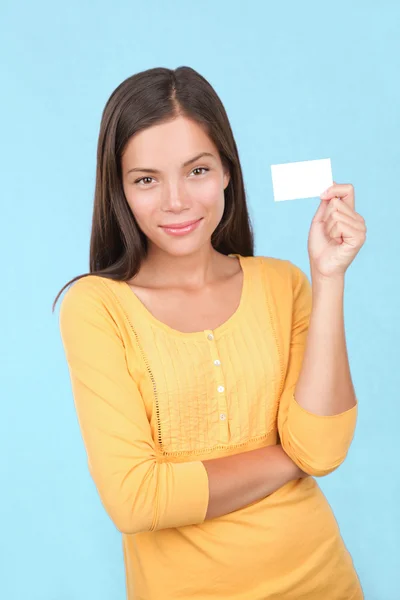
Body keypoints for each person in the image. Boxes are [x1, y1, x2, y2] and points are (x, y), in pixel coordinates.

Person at [54, 66, 366, 599]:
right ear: (120, 190)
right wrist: (290, 456)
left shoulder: (283, 283)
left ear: (226, 171)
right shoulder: (96, 307)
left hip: (323, 582)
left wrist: (328, 276)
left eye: (196, 171)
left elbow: (325, 445)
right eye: (146, 179)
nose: (175, 201)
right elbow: (137, 499)